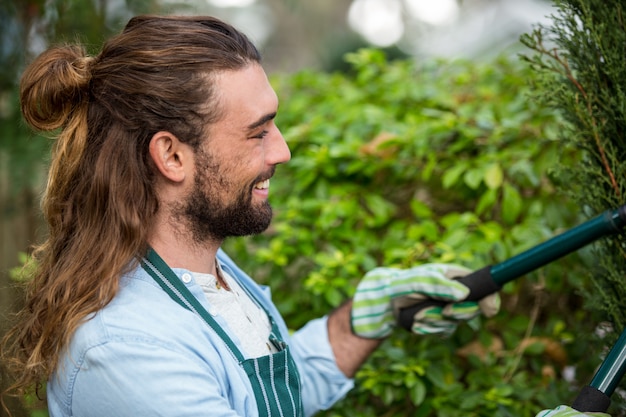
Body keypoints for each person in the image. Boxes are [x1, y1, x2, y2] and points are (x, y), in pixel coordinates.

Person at [0, 15, 604, 417]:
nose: (282, 150)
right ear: (172, 155)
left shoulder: (210, 277)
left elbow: (274, 396)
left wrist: (358, 322)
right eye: (257, 132)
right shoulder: (127, 350)